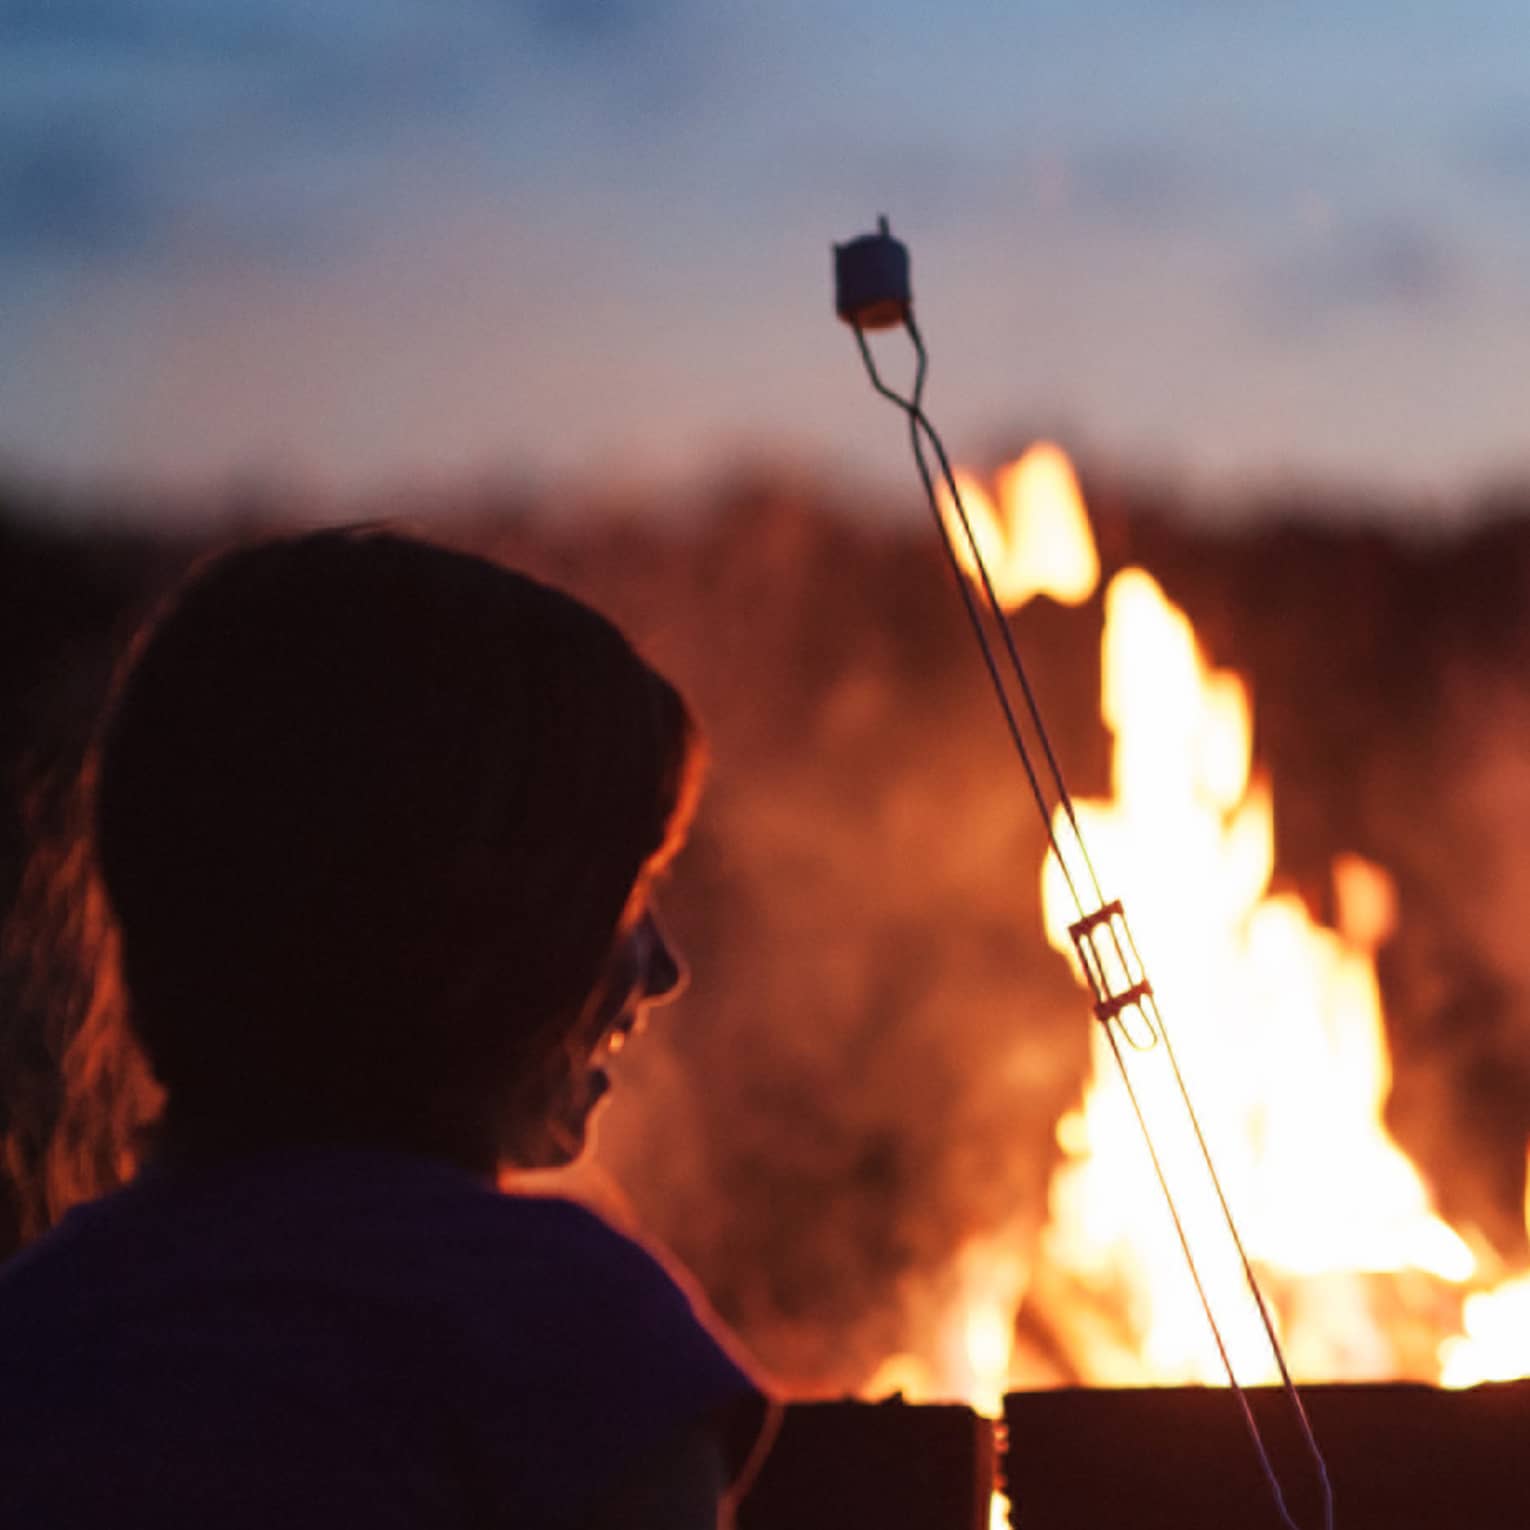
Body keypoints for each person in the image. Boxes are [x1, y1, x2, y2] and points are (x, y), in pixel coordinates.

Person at [0, 528, 775, 1529]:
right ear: (483, 920)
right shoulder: (568, 1335)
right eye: (629, 892)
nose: (663, 971)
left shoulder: (38, 1330)